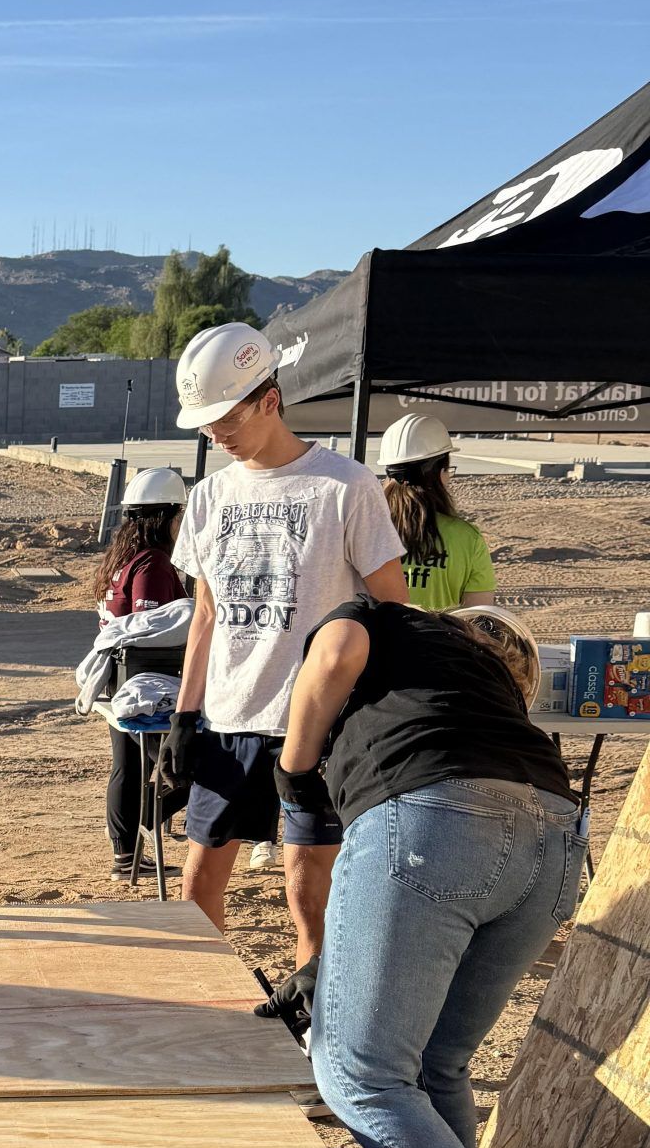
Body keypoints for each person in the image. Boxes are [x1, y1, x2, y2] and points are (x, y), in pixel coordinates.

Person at [278, 599, 584, 1148]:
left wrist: (295, 762)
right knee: (436, 1064)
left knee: (359, 1072)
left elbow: (335, 649)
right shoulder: (486, 693)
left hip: (439, 823)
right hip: (555, 839)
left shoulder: (389, 619)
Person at [163, 325, 407, 977]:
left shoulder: (345, 486)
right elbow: (207, 615)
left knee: (307, 889)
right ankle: (205, 1004)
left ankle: (317, 1022)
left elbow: (392, 606)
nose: (215, 433)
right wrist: (185, 718)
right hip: (229, 721)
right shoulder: (210, 498)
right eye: (205, 422)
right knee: (197, 888)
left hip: (317, 726)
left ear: (269, 400)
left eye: (225, 416)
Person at [94, 466, 189, 880]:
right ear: (165, 517)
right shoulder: (151, 564)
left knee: (128, 767)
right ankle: (142, 830)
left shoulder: (124, 559)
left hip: (122, 677)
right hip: (148, 681)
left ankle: (125, 855)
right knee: (185, 766)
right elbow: (151, 626)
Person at [377, 413, 496, 612]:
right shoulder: (467, 538)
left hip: (374, 643)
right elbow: (478, 617)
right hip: (441, 643)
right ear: (440, 472)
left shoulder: (366, 529)